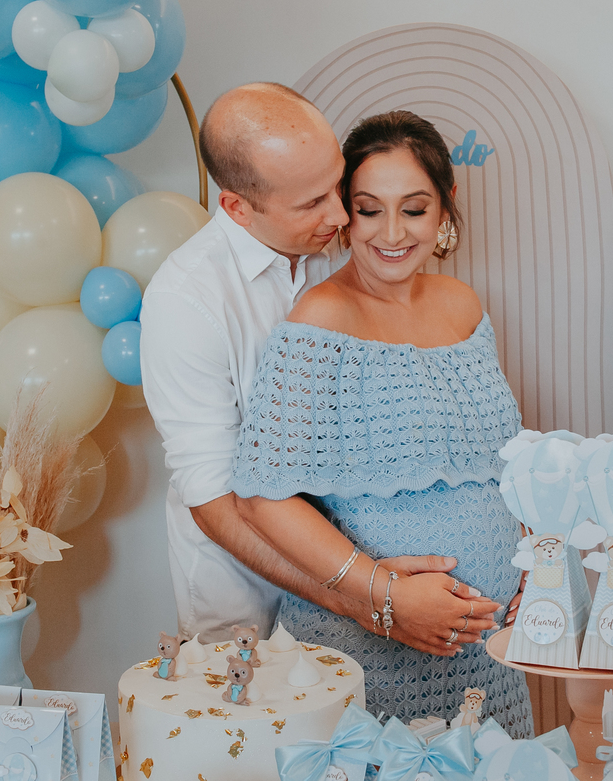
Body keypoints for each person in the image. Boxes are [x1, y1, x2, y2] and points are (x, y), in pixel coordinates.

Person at [140, 84, 492, 647]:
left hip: (375, 579)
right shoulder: (188, 302)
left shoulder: (349, 240)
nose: (340, 214)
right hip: (251, 591)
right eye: (312, 203)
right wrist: (362, 599)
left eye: (338, 186)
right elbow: (214, 496)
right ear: (238, 207)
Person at [230, 110, 533, 730]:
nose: (391, 231)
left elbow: (503, 464)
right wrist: (383, 593)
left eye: (414, 209)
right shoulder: (318, 322)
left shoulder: (464, 305)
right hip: (373, 648)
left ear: (445, 209)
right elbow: (262, 497)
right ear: (345, 212)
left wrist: (536, 567)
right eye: (369, 209)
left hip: (491, 650)